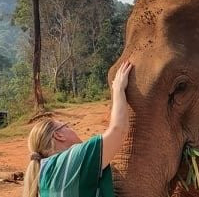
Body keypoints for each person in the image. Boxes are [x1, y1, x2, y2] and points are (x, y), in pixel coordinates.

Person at [23, 61, 132, 197]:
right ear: (59, 135)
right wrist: (118, 89)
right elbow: (118, 130)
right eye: (66, 126)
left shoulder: (44, 174)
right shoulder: (73, 159)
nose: (72, 129)